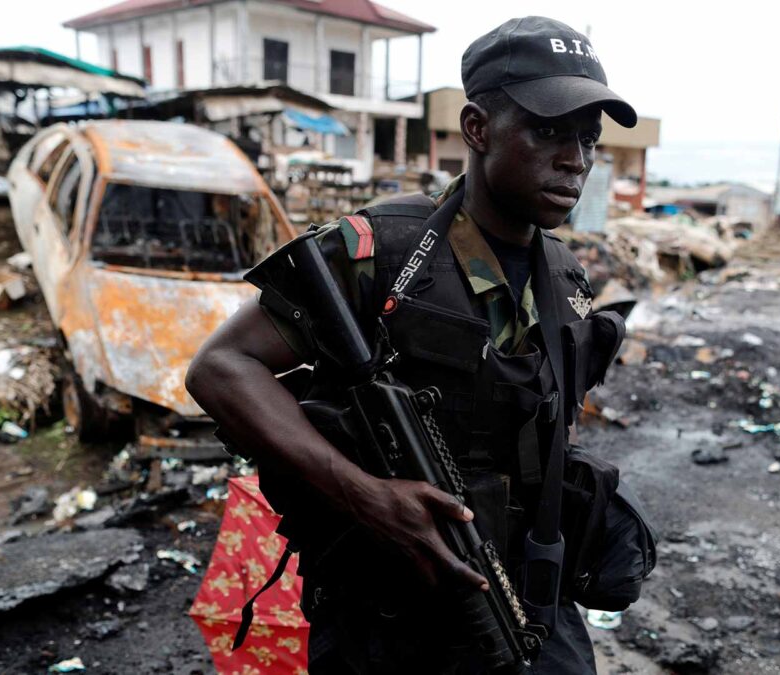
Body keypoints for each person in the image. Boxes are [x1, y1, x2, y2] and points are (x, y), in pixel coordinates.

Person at [187, 16, 640, 673]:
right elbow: (221, 367)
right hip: (390, 614)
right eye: (547, 130)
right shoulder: (382, 251)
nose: (574, 158)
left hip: (527, 602)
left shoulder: (565, 273)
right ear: (477, 128)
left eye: (587, 138)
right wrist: (365, 494)